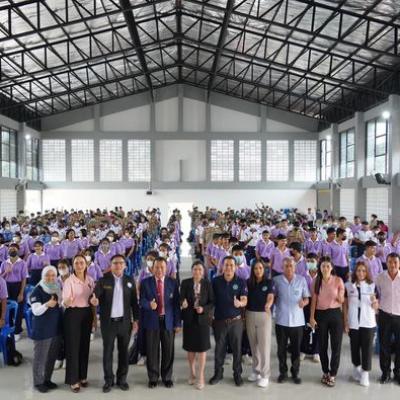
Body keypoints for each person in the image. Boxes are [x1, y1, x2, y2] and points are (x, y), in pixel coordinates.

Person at [94, 254, 140, 393]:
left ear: (125, 265)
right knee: (108, 352)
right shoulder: (103, 280)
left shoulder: (130, 281)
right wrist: (94, 299)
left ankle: (122, 379)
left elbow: (134, 303)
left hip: (124, 323)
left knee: (123, 352)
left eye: (121, 263)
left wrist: (136, 320)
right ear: (111, 265)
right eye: (115, 263)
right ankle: (108, 380)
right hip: (108, 324)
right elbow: (96, 294)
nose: (118, 265)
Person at [140, 257, 181, 388]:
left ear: (166, 268)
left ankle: (167, 377)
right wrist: (149, 304)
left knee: (168, 350)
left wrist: (177, 323)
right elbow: (141, 301)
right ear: (152, 268)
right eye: (156, 267)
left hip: (168, 321)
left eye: (162, 267)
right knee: (152, 350)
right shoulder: (145, 283)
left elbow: (176, 305)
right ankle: (153, 378)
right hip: (152, 321)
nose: (159, 270)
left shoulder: (173, 283)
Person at [209, 256, 248, 387]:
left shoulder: (241, 282)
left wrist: (240, 303)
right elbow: (211, 300)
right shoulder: (215, 281)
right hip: (219, 321)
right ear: (222, 266)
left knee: (237, 349)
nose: (229, 267)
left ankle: (237, 374)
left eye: (231, 265)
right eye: (226, 265)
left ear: (235, 267)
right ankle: (218, 373)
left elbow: (245, 299)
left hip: (236, 322)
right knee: (219, 349)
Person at [62, 254, 96, 392]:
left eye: (82, 263)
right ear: (73, 265)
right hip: (73, 314)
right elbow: (65, 302)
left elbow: (93, 300)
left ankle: (83, 376)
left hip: (87, 313)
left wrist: (94, 319)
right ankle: (73, 379)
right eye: (76, 263)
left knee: (84, 345)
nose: (79, 265)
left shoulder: (90, 280)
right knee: (73, 347)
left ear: (86, 265)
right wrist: (67, 301)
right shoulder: (69, 281)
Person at [273, 257, 310, 384]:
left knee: (296, 350)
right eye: (286, 266)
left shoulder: (301, 280)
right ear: (282, 267)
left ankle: (295, 373)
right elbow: (272, 297)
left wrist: (304, 302)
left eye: (291, 266)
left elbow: (307, 298)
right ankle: (283, 373)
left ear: (295, 267)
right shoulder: (276, 280)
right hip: (281, 320)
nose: (289, 268)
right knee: (281, 349)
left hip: (297, 321)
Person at [310, 257, 345, 387]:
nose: (325, 268)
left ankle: (333, 374)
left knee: (336, 345)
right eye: (323, 266)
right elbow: (313, 301)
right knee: (322, 345)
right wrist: (312, 317)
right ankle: (325, 371)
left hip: (335, 314)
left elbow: (342, 300)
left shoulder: (338, 280)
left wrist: (339, 296)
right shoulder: (316, 281)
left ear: (331, 268)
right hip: (321, 315)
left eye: (327, 266)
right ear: (320, 268)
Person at [180, 260, 214, 390]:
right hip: (189, 319)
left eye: (200, 269)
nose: (197, 272)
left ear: (203, 271)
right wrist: (182, 302)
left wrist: (203, 309)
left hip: (203, 320)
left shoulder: (207, 284)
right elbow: (180, 298)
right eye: (195, 269)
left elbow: (212, 302)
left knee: (202, 348)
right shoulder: (185, 283)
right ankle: (192, 372)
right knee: (190, 347)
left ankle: (200, 376)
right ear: (192, 270)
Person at [343, 261, 378, 387]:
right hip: (353, 322)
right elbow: (345, 305)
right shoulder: (348, 286)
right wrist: (346, 322)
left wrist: (374, 303)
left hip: (368, 323)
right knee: (354, 348)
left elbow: (376, 307)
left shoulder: (372, 285)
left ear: (367, 272)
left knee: (367, 349)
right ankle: (356, 368)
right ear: (355, 272)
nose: (361, 273)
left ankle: (365, 374)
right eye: (359, 270)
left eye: (363, 270)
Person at [30, 266, 63, 393]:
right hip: (42, 330)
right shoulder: (37, 291)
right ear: (42, 276)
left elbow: (60, 304)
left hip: (55, 328)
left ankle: (47, 379)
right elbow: (36, 311)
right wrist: (47, 305)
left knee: (51, 357)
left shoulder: (56, 288)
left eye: (53, 275)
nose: (50, 278)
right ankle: (38, 382)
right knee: (40, 358)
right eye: (47, 275)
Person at [245, 260, 274, 388]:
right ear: (252, 270)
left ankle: (265, 375)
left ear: (264, 269)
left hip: (264, 315)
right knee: (254, 346)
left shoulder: (269, 282)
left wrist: (268, 304)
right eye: (256, 268)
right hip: (250, 315)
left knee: (264, 347)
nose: (258, 270)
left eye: (260, 268)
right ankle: (256, 370)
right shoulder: (248, 282)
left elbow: (271, 296)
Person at [375, 253, 400, 384]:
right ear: (386, 262)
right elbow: (375, 294)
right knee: (384, 346)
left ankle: (398, 372)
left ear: (399, 264)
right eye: (390, 262)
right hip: (384, 315)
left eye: (395, 262)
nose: (392, 265)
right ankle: (385, 373)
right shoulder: (380, 278)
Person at [0, 243, 28, 340]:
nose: (12, 250)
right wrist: (6, 272)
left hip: (18, 286)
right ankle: (10, 329)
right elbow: (0, 278)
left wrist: (21, 293)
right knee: (9, 309)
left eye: (14, 248)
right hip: (6, 286)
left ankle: (17, 330)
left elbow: (24, 279)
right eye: (10, 248)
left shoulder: (22, 263)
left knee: (18, 309)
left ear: (18, 250)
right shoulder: (4, 263)